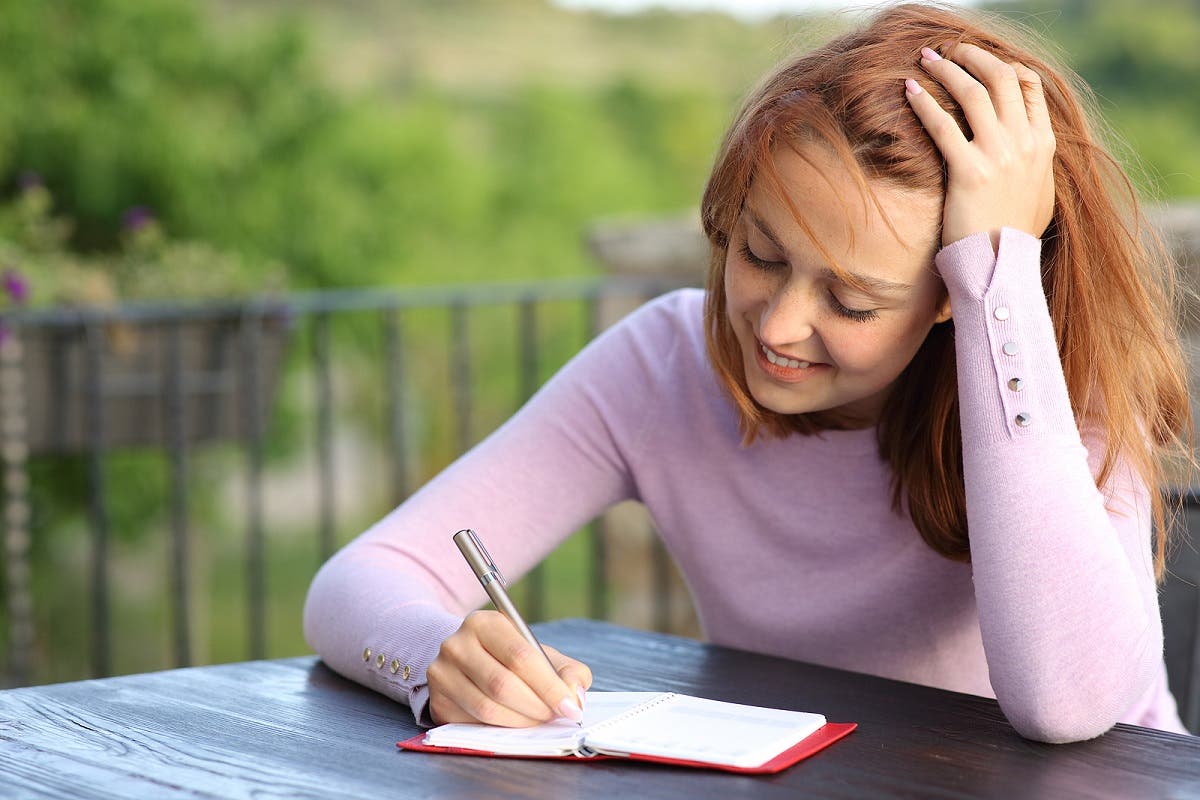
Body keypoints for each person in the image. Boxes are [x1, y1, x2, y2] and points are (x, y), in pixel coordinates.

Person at [303, 2, 1195, 742]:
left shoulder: (1042, 383)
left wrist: (1001, 274)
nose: (778, 326)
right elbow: (357, 581)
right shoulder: (664, 364)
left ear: (948, 297)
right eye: (762, 254)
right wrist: (435, 659)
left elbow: (1067, 706)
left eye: (852, 301)